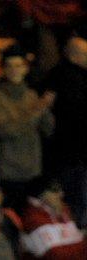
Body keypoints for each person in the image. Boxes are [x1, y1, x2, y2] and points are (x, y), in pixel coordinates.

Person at [0, 45, 55, 210]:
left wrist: (46, 109)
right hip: (8, 173)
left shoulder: (31, 94)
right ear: (3, 69)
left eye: (18, 65)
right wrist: (37, 110)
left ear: (25, 68)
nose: (14, 70)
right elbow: (4, 130)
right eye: (9, 66)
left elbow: (48, 129)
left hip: (32, 171)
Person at [42, 36, 87, 228]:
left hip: (76, 152)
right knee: (73, 199)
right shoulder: (59, 75)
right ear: (75, 54)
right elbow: (45, 107)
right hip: (67, 151)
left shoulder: (61, 75)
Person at [21, 177, 87, 259]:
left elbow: (78, 242)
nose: (61, 194)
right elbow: (54, 254)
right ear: (41, 195)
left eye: (61, 190)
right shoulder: (32, 217)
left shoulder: (64, 210)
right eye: (55, 190)